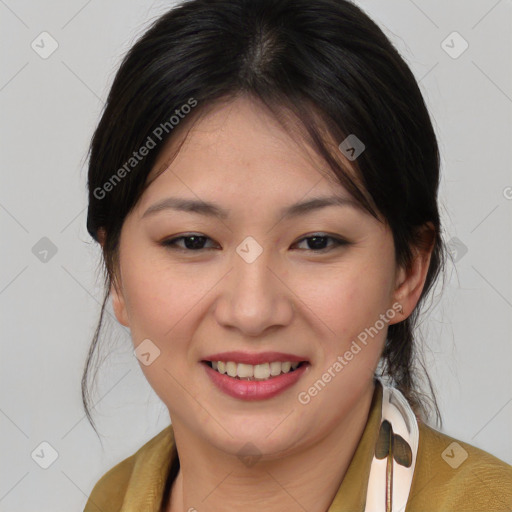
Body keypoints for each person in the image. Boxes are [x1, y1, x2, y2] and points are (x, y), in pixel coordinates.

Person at [82, 0, 512, 510]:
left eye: (316, 242)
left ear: (407, 272)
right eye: (193, 241)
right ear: (117, 275)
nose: (252, 311)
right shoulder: (114, 498)